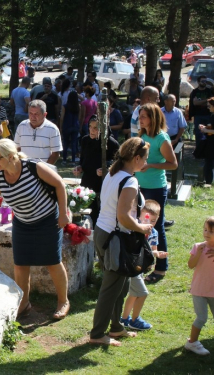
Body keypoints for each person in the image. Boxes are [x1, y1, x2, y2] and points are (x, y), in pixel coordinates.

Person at [0, 138, 70, 319]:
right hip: (22, 223)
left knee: (52, 261)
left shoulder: (33, 167)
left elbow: (59, 184)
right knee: (20, 265)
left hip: (47, 219)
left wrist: (63, 214)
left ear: (11, 157)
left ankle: (63, 301)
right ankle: (23, 303)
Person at [89, 137, 153, 346]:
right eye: (145, 159)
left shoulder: (113, 172)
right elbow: (124, 216)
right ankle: (98, 334)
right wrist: (142, 227)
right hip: (115, 238)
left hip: (103, 232)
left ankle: (116, 327)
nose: (146, 163)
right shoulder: (130, 180)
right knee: (110, 288)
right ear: (136, 158)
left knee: (121, 285)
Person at [134, 104, 178, 284]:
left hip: (155, 188)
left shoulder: (162, 138)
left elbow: (173, 164)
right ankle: (143, 261)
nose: (141, 119)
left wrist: (151, 165)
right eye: (140, 116)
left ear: (153, 117)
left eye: (144, 116)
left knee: (156, 226)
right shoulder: (141, 135)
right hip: (139, 186)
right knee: (140, 224)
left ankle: (161, 267)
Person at [121, 199, 168, 331]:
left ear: (158, 219)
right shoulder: (134, 229)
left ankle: (124, 319)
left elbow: (152, 250)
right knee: (142, 293)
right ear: (139, 216)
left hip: (140, 268)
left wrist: (158, 254)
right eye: (146, 219)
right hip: (132, 267)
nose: (149, 223)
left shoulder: (154, 233)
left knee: (134, 294)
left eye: (153, 220)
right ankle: (135, 320)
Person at [73, 115, 119, 225]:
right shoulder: (85, 140)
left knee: (101, 215)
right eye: (90, 126)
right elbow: (84, 160)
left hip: (104, 184)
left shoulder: (112, 143)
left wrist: (106, 168)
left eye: (96, 128)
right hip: (88, 183)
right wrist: (79, 168)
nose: (91, 130)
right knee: (87, 214)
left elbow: (118, 163)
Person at [184, 216, 214, 355]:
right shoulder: (198, 246)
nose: (206, 233)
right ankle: (192, 343)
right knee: (201, 318)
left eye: (211, 231)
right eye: (205, 229)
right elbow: (191, 265)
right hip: (199, 290)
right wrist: (199, 253)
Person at [15, 100, 62, 164]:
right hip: (24, 170)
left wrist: (45, 169)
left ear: (45, 114)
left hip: (43, 170)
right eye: (30, 113)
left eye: (36, 114)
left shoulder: (52, 129)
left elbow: (56, 153)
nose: (32, 117)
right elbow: (16, 148)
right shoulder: (22, 126)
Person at [189, 75, 213, 151]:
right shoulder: (195, 92)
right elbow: (194, 103)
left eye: (206, 81)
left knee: (209, 133)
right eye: (203, 81)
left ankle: (208, 150)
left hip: (208, 115)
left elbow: (211, 103)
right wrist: (206, 100)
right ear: (198, 82)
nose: (204, 83)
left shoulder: (209, 91)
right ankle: (199, 151)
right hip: (198, 116)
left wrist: (200, 102)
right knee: (198, 133)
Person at [198, 97, 214, 186]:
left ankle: (209, 182)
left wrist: (206, 130)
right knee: (208, 162)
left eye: (210, 106)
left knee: (209, 163)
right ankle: (208, 181)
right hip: (210, 142)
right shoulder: (212, 115)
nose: (208, 108)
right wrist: (204, 127)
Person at [60, 91, 80, 163]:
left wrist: (61, 127)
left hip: (67, 126)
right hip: (75, 126)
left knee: (65, 143)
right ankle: (73, 160)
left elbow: (62, 118)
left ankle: (64, 159)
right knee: (74, 143)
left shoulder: (65, 106)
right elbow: (79, 117)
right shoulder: (78, 106)